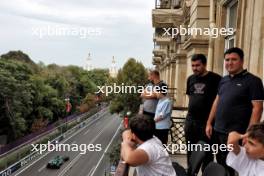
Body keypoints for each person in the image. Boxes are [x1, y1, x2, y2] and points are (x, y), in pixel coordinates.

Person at [206, 47, 264, 175]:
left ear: (242, 61)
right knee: (222, 164)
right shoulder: (223, 80)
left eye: (234, 59)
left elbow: (258, 108)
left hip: (238, 135)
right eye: (227, 60)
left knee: (237, 167)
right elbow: (217, 101)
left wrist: (249, 134)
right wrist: (209, 123)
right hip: (219, 131)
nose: (229, 63)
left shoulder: (253, 81)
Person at [185, 54, 222, 171]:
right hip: (191, 122)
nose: (195, 68)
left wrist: (210, 123)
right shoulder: (190, 79)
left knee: (206, 154)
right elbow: (191, 98)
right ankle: (191, 173)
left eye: (197, 65)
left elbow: (219, 101)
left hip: (206, 124)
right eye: (193, 65)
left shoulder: (216, 79)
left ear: (205, 64)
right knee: (191, 152)